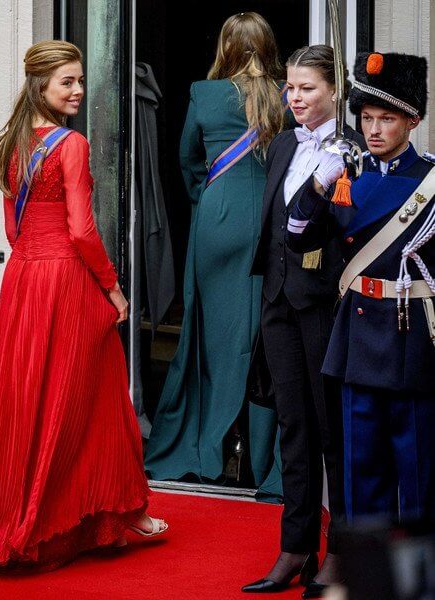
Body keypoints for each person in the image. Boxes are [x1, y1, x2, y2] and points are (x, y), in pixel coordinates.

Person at [0, 40, 167, 569]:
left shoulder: (10, 143)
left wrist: (34, 256)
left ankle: (35, 513)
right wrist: (113, 287)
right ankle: (114, 507)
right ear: (41, 87)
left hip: (24, 279)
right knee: (95, 395)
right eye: (67, 82)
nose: (77, 90)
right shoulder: (69, 145)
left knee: (30, 396)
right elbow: (81, 229)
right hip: (66, 279)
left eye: (78, 80)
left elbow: (12, 226)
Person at [286, 52, 435, 527]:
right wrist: (317, 183)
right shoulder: (345, 175)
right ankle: (370, 581)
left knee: (418, 478)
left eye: (386, 119)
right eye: (366, 118)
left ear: (411, 120)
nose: (373, 130)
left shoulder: (430, 181)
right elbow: (297, 236)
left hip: (409, 337)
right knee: (361, 474)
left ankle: (418, 583)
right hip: (356, 335)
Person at [145, 12, 285, 494]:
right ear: (267, 47)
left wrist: (209, 199)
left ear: (224, 46)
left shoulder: (204, 94)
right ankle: (260, 455)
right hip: (268, 219)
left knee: (210, 336)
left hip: (218, 216)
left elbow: (186, 160)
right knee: (264, 337)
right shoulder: (286, 95)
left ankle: (209, 448)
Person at [243, 46, 365, 597]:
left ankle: (342, 554)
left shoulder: (355, 149)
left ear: (334, 91)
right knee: (293, 428)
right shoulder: (287, 142)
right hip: (278, 302)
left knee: (333, 432)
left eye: (307, 88)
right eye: (290, 88)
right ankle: (295, 548)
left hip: (328, 307)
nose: (295, 98)